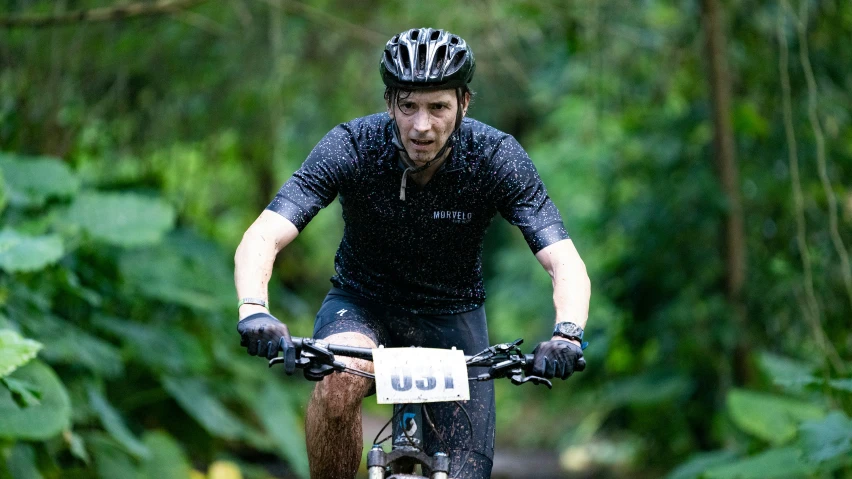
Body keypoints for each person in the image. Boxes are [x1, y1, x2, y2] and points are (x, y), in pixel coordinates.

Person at [234, 27, 591, 479]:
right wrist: (254, 309)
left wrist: (567, 333)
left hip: (453, 317)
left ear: (464, 103)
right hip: (362, 306)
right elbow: (263, 235)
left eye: (438, 107)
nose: (422, 126)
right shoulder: (353, 146)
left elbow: (564, 260)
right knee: (339, 380)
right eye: (409, 107)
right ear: (389, 104)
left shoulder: (497, 157)